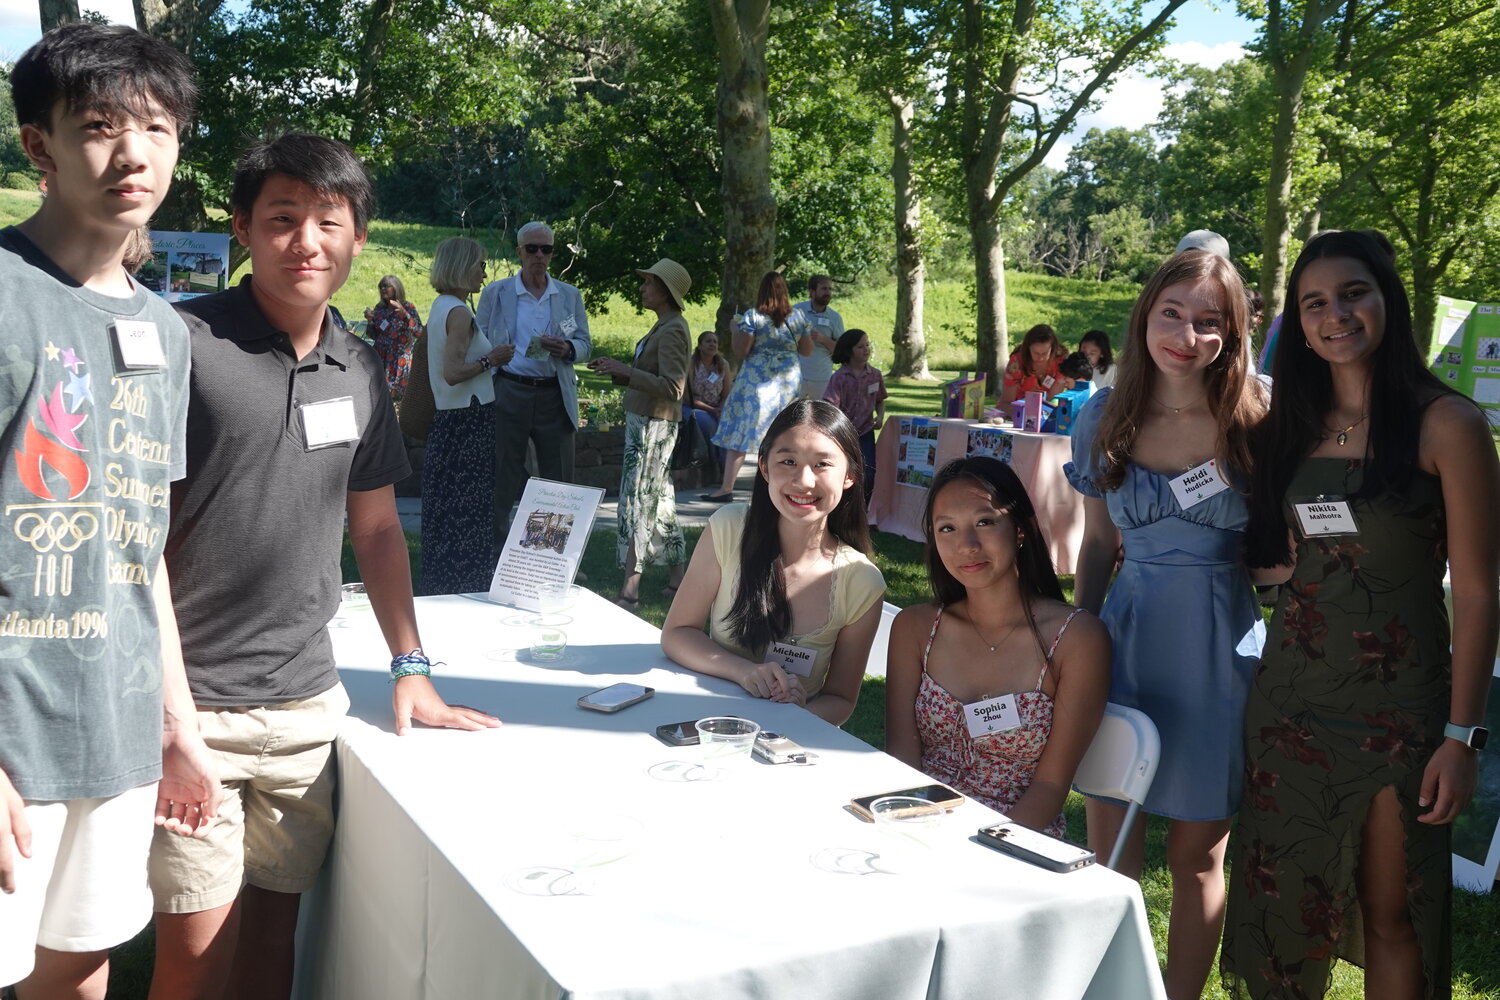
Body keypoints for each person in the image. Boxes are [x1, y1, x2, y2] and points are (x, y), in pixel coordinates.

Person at [149, 134, 501, 1000]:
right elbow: (139, 539)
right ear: (242, 229)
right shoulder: (184, 341)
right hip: (200, 712)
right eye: (282, 219)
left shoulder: (359, 369)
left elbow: (377, 531)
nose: (306, 240)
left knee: (275, 949)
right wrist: (171, 719)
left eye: (328, 221)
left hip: (308, 709)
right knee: (196, 962)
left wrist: (410, 667)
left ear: (357, 240)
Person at [0, 24, 221, 997]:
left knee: (79, 973)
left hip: (118, 730)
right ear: (37, 144)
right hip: (11, 741)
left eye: (158, 127)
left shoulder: (165, 332)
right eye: (98, 125)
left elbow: (141, 547)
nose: (134, 153)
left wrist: (178, 727)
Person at [1223, 230, 1500, 1000]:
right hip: (1290, 704)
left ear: (1389, 300)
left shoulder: (1448, 424)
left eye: (1353, 293)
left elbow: (1478, 593)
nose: (1334, 315)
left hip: (1398, 716)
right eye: (1315, 303)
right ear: (1299, 323)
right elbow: (1285, 557)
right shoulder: (1292, 426)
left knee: (1391, 913)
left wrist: (1461, 734)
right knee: (1283, 907)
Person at [1066, 248, 1269, 1000]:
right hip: (1124, 644)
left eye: (1209, 321)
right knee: (1110, 852)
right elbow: (1094, 544)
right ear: (1145, 316)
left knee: (1197, 859)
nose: (1187, 335)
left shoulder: (1260, 414)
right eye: (1172, 314)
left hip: (1219, 652)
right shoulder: (1102, 415)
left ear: (1234, 331)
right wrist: (1074, 645)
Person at [885, 458, 1110, 834]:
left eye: (985, 522)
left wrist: (982, 851)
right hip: (918, 826)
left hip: (1017, 839)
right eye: (947, 529)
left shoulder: (1076, 638)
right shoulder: (914, 629)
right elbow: (901, 761)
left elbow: (1050, 787)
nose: (967, 546)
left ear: (1020, 528)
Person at [664, 400, 885, 725]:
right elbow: (677, 633)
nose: (804, 481)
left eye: (822, 464)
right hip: (705, 724)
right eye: (789, 461)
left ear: (849, 475)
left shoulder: (862, 582)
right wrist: (744, 672)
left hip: (784, 746)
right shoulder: (729, 528)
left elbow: (840, 699)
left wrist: (798, 714)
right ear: (765, 468)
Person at [476, 221, 592, 546]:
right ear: (519, 253)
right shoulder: (496, 293)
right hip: (509, 390)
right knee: (502, 475)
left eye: (547, 249)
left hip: (554, 393)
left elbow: (584, 343)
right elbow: (477, 340)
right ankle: (494, 555)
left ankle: (549, 555)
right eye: (532, 249)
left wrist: (568, 349)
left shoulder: (568, 296)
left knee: (558, 479)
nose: (539, 255)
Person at [586, 259, 694, 608]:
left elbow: (674, 388)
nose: (642, 288)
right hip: (645, 422)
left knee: (640, 503)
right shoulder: (663, 325)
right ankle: (679, 580)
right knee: (660, 502)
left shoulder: (674, 328)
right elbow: (651, 377)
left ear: (665, 290)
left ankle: (630, 590)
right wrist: (618, 373)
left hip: (654, 426)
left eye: (648, 283)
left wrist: (627, 371)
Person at [422, 238, 510, 595]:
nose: (484, 273)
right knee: (468, 511)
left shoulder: (441, 305)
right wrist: (493, 360)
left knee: (448, 509)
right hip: (468, 421)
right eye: (479, 265)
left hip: (452, 420)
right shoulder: (459, 312)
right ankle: (466, 584)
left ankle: (444, 583)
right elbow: (453, 372)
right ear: (461, 267)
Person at [702, 272, 812, 502]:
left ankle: (726, 488)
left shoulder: (753, 317)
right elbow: (807, 350)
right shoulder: (799, 317)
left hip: (756, 382)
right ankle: (778, 489)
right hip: (787, 382)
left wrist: (734, 330)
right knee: (781, 434)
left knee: (741, 432)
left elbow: (741, 350)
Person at [822, 327, 887, 504]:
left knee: (869, 473)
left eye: (867, 345)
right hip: (843, 435)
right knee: (843, 472)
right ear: (849, 350)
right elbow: (830, 405)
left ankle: (862, 510)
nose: (866, 349)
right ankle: (840, 506)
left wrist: (880, 416)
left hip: (866, 433)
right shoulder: (840, 377)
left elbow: (880, 400)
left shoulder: (875, 375)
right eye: (860, 346)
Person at [363, 273, 422, 402]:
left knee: (400, 399)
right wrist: (370, 321)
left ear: (396, 288)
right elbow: (373, 335)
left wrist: (405, 315)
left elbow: (419, 333)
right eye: (380, 286)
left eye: (386, 286)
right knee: (380, 398)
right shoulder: (379, 308)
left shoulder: (408, 307)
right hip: (381, 359)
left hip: (399, 360)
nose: (383, 289)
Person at [684, 330, 734, 470]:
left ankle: (726, 469)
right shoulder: (691, 364)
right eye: (708, 341)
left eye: (715, 341)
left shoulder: (723, 365)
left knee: (727, 423)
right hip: (694, 407)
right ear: (700, 345)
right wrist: (711, 410)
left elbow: (726, 394)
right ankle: (714, 466)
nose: (712, 344)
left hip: (716, 407)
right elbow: (687, 398)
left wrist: (721, 409)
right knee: (709, 424)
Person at [794, 274, 844, 400]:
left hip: (822, 378)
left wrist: (823, 339)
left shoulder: (835, 318)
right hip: (795, 376)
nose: (828, 292)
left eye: (830, 289)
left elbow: (841, 351)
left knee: (820, 417)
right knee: (790, 415)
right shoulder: (796, 311)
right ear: (812, 291)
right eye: (824, 289)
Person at [998, 323, 1073, 406]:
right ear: (1028, 348)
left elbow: (1052, 401)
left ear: (1053, 349)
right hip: (1018, 410)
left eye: (1044, 353)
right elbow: (1005, 402)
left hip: (1046, 411)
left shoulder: (1061, 360)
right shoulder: (1016, 363)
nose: (1040, 358)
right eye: (1036, 353)